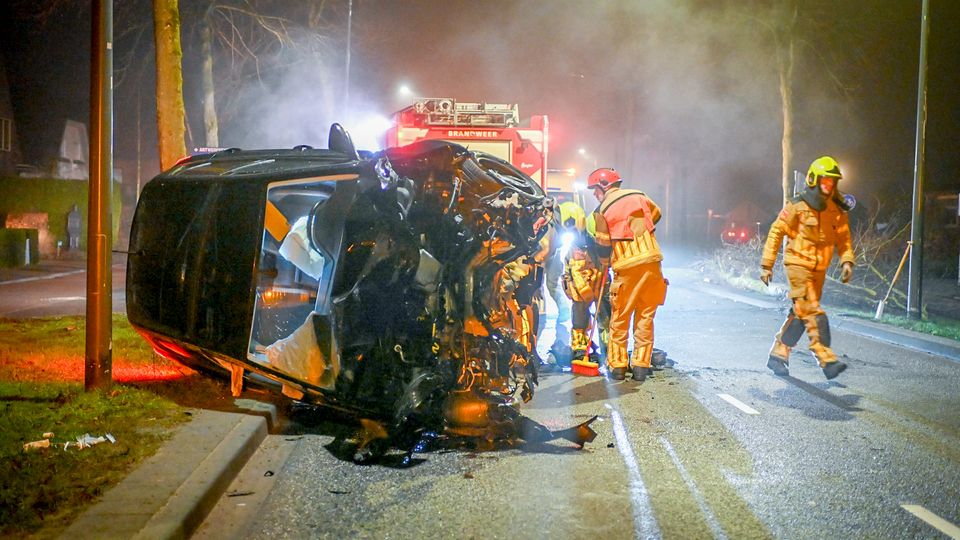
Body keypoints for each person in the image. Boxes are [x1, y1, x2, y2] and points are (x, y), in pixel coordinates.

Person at [760, 156, 855, 380]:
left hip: (819, 270)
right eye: (825, 180)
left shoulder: (836, 210)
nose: (828, 185)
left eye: (832, 181)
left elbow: (844, 238)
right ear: (813, 179)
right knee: (812, 310)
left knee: (802, 314)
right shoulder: (797, 206)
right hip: (797, 266)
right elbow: (776, 232)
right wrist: (767, 265)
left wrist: (847, 261)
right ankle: (825, 357)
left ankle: (778, 354)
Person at [589, 168, 667, 382]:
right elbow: (656, 215)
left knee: (621, 317)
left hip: (626, 266)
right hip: (652, 262)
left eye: (595, 190)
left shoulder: (601, 210)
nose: (594, 194)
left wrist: (605, 263)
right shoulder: (640, 196)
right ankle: (641, 366)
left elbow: (603, 245)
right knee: (645, 317)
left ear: (603, 186)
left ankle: (619, 366)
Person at [556, 202, 604, 372]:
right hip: (580, 291)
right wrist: (572, 288)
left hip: (598, 285)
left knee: (605, 318)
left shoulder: (593, 236)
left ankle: (608, 349)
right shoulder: (573, 245)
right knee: (579, 320)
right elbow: (571, 269)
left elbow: (603, 260)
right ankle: (579, 350)